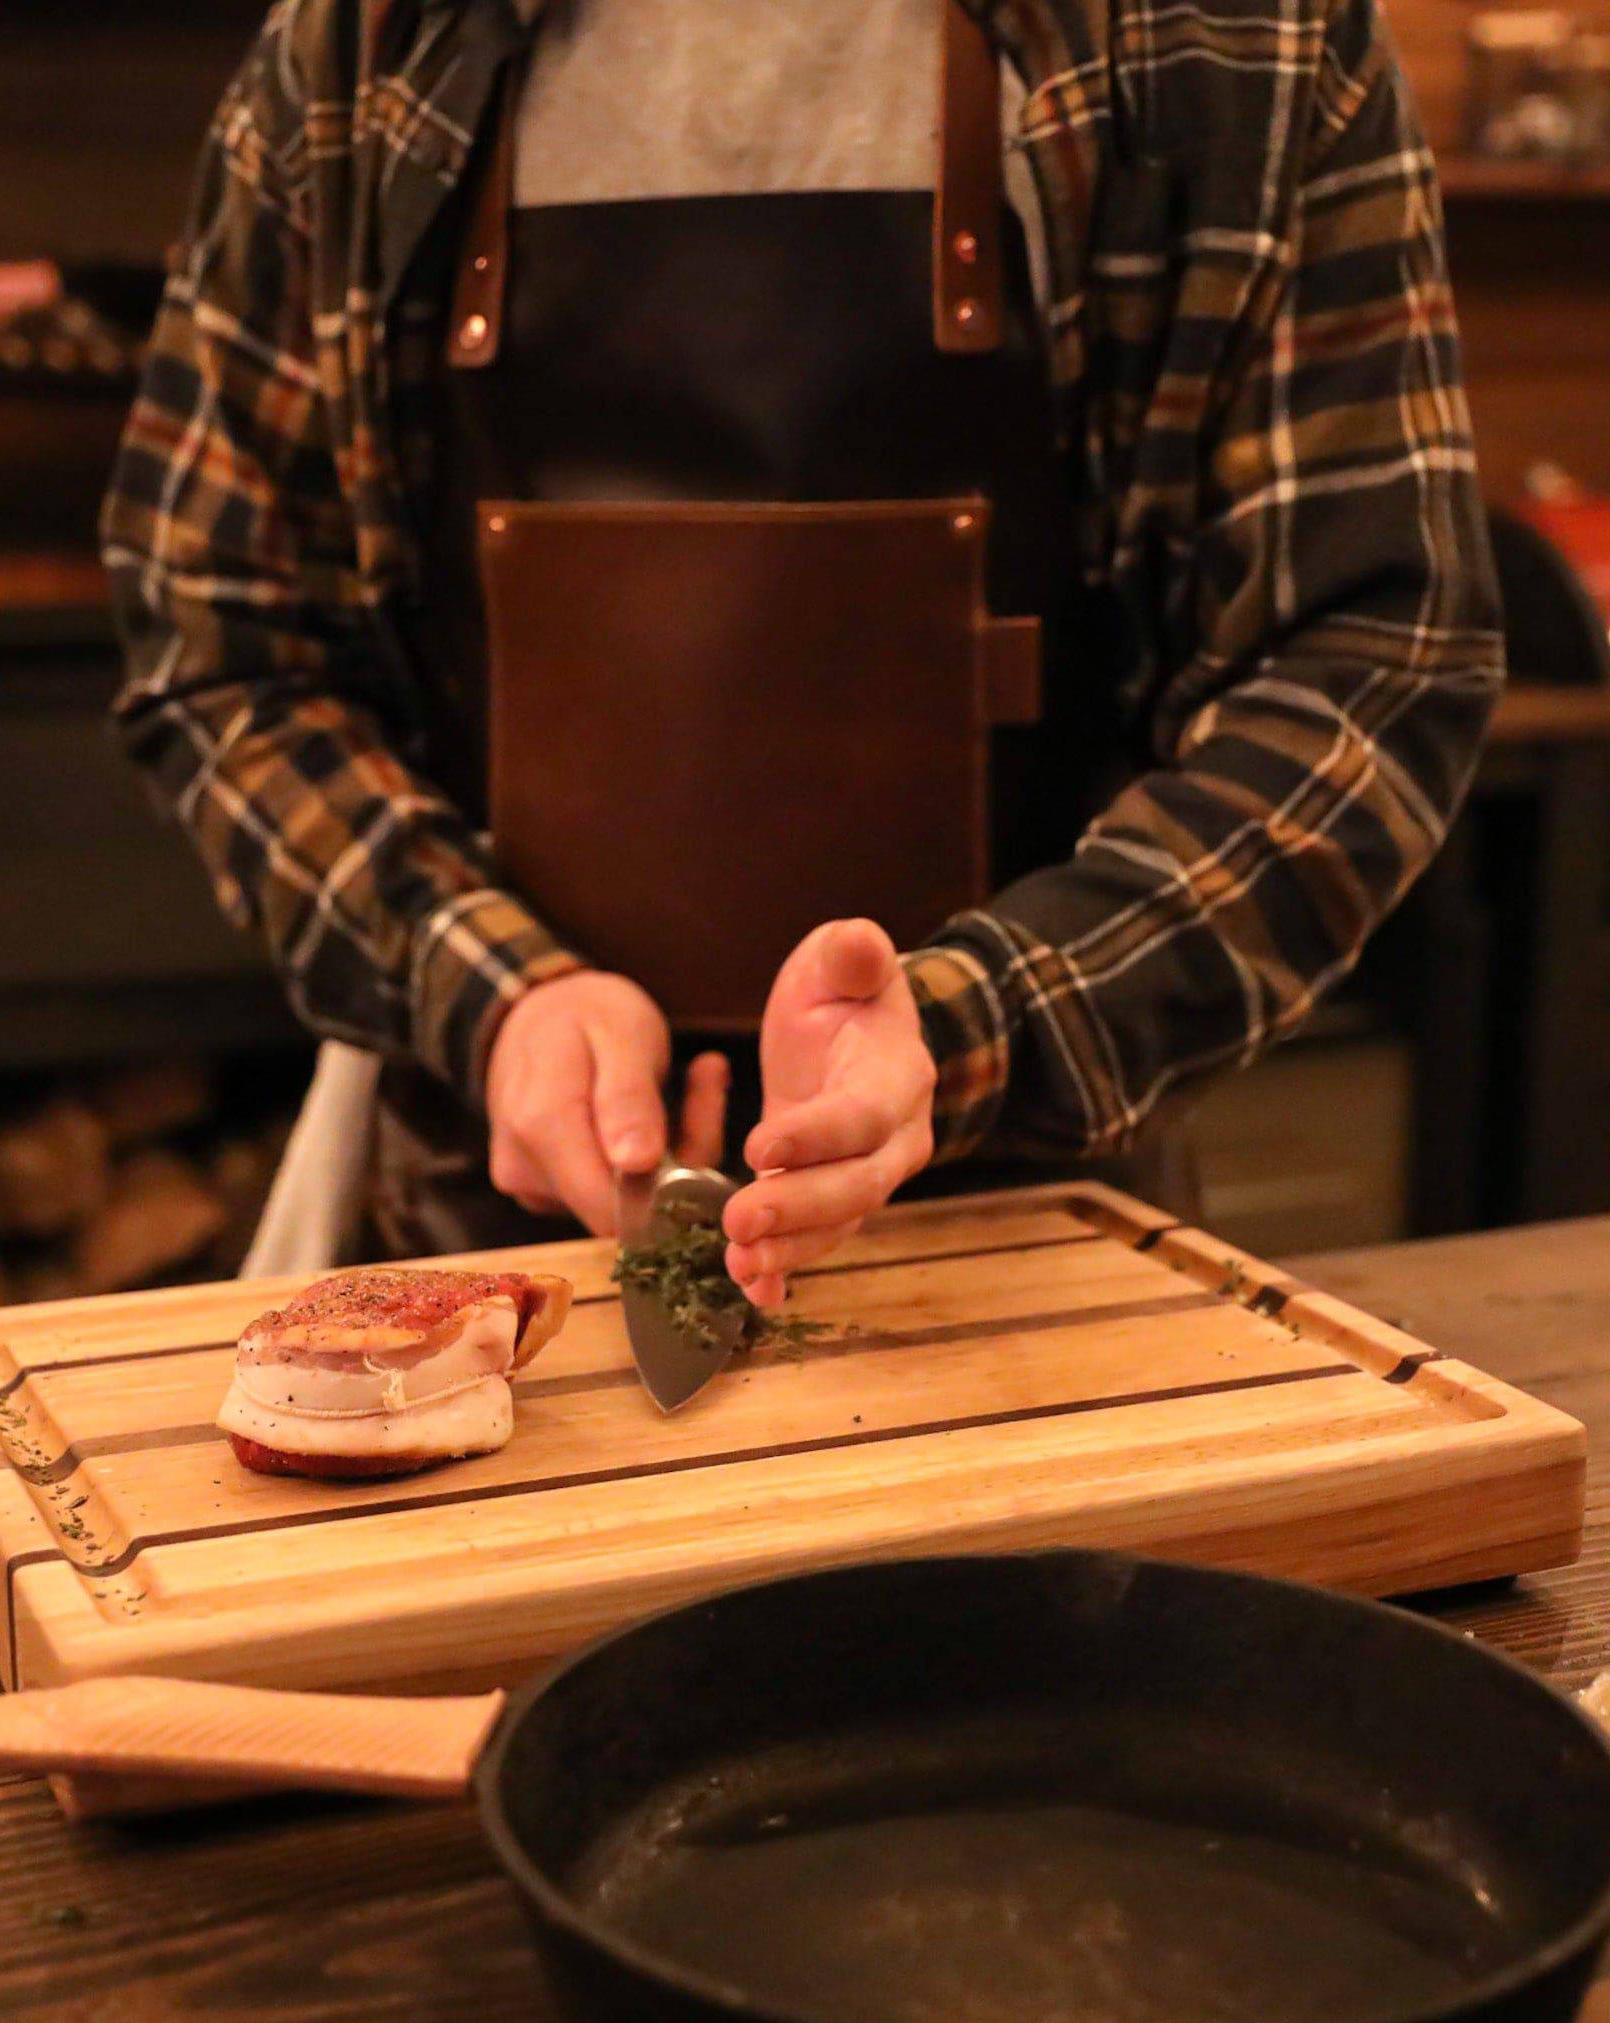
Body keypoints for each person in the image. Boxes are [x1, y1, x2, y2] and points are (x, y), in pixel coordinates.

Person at [103, 0, 1500, 1307]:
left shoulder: (1230, 41)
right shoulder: (363, 50)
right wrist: (491, 988)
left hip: (1041, 1253)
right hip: (497, 1258)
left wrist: (968, 1027)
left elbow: (1375, 658)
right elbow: (223, 635)